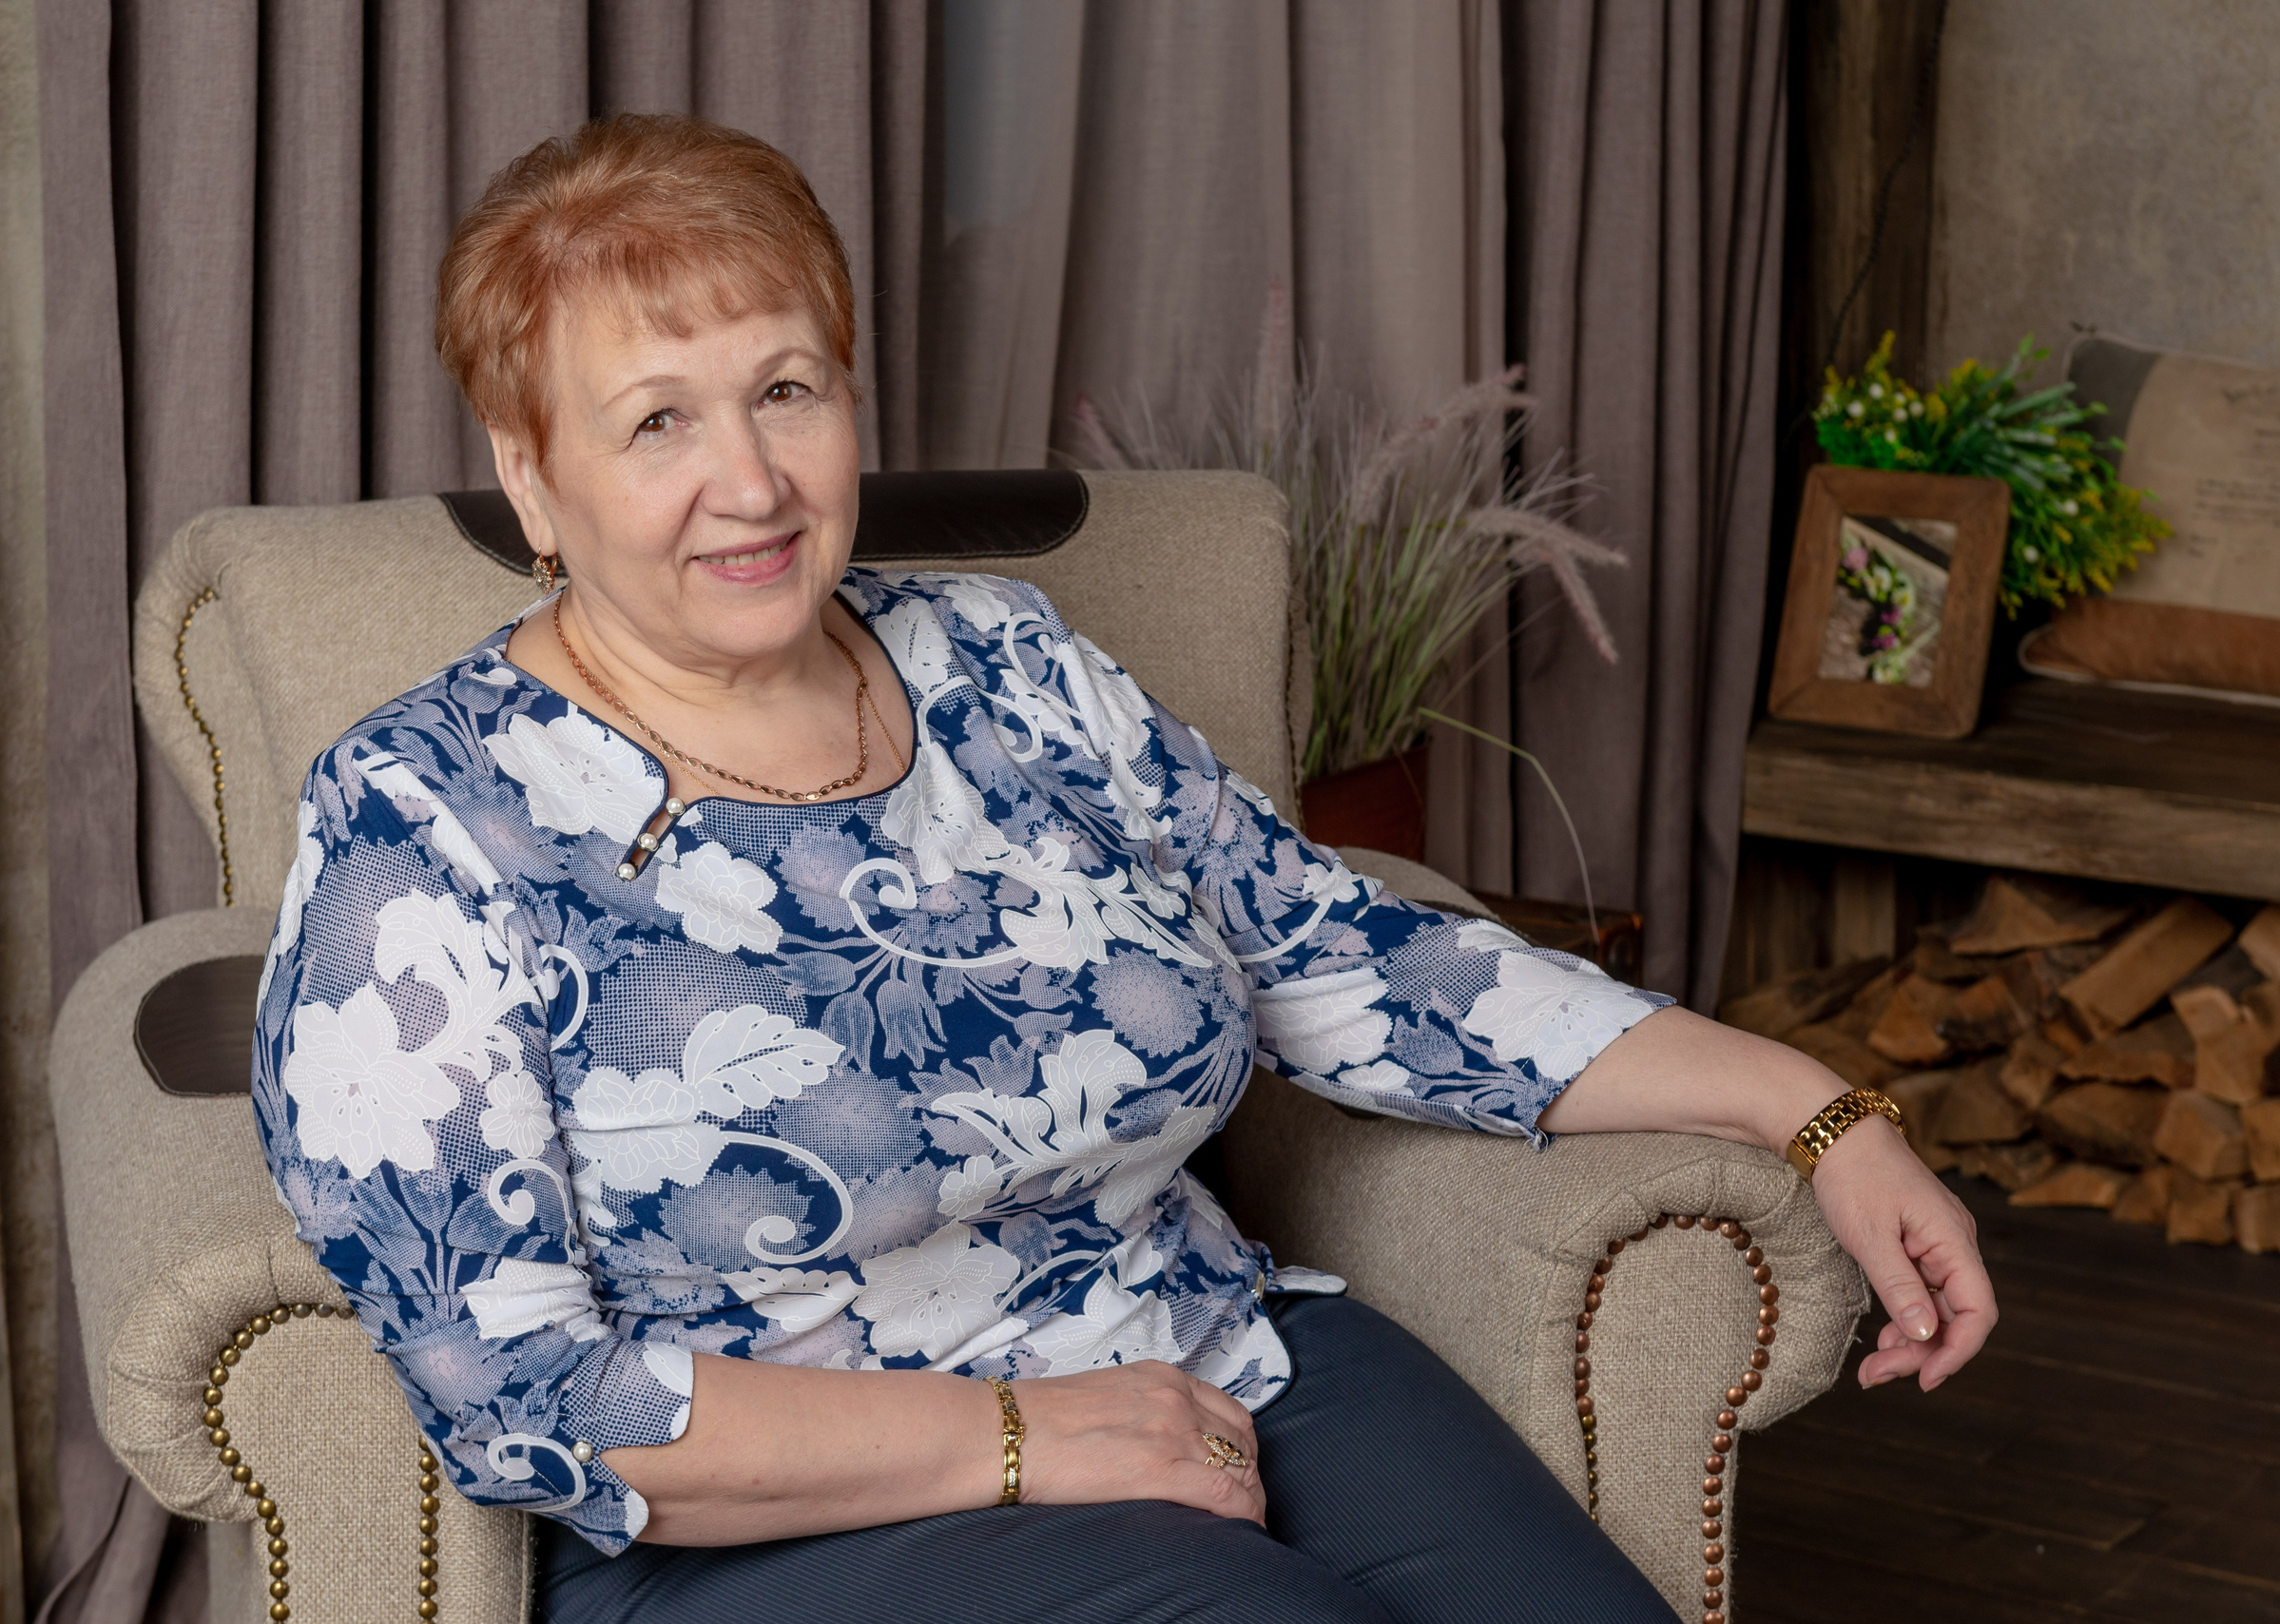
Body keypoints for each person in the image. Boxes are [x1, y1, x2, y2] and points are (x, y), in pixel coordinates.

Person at [253, 113, 1995, 1624]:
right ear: (529, 478)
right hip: (766, 1528)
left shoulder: (1008, 667)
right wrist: (1024, 1441)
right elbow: (527, 1394)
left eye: (788, 388)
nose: (752, 481)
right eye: (656, 424)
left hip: (1203, 1355)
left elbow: (1336, 956)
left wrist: (1812, 1106)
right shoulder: (420, 819)